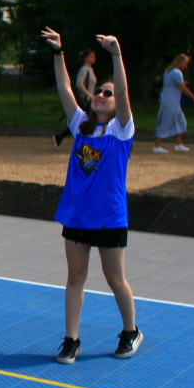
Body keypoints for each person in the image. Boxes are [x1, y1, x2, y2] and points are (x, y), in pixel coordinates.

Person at [41, 27, 142, 364]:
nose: (101, 94)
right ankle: (71, 340)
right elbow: (64, 88)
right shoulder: (81, 125)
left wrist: (116, 55)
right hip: (77, 216)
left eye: (108, 93)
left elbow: (124, 93)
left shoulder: (121, 130)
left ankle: (131, 331)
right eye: (99, 91)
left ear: (117, 104)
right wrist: (59, 52)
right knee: (75, 278)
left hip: (110, 216)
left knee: (115, 279)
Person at [153, 53, 194, 153]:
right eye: (185, 63)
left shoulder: (168, 71)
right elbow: (182, 88)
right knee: (165, 121)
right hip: (171, 101)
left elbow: (175, 85)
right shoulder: (177, 72)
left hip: (170, 100)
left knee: (180, 121)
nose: (186, 66)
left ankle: (178, 144)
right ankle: (157, 145)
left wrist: (182, 84)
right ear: (181, 62)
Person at [54, 48, 96, 149]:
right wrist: (89, 95)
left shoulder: (90, 69)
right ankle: (60, 137)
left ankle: (60, 137)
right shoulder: (84, 69)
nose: (94, 58)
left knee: (85, 121)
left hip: (89, 100)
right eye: (91, 56)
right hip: (86, 100)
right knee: (85, 121)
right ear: (85, 57)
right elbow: (79, 84)